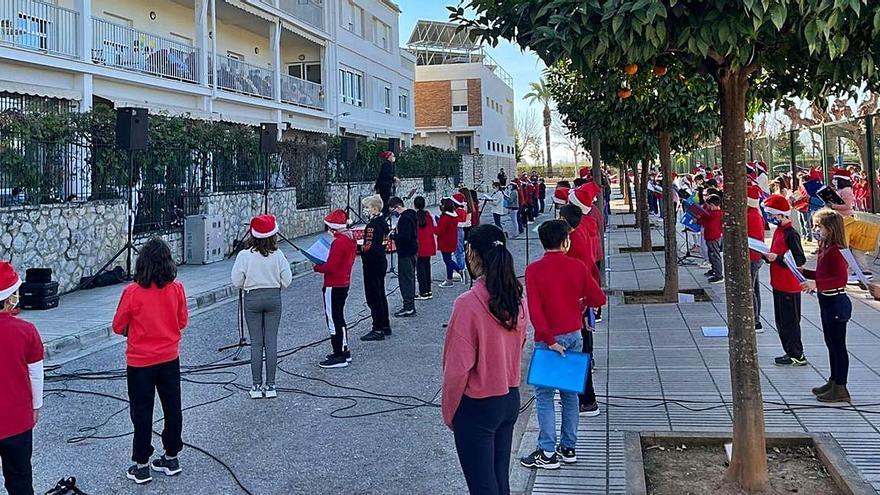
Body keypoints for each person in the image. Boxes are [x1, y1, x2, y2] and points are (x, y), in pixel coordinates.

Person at [441, 224, 526, 495]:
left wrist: (450, 412)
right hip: (509, 397)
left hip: (477, 405)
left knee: (482, 487)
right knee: (500, 482)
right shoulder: (517, 298)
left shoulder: (467, 304)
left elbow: (456, 369)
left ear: (473, 255)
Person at [521, 220, 606, 470]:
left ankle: (547, 451)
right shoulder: (578, 267)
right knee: (570, 394)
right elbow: (598, 297)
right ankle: (569, 447)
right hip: (573, 334)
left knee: (545, 395)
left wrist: (548, 339)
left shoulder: (534, 270)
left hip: (548, 338)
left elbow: (535, 310)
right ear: (565, 241)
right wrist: (579, 304)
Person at [112, 238, 188, 484]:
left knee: (142, 412)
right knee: (172, 407)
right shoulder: (176, 289)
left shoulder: (132, 292)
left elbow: (118, 326)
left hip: (139, 362)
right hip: (169, 357)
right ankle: (171, 456)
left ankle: (142, 463)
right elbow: (182, 321)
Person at [231, 215, 292, 398]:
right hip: (273, 297)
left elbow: (236, 281)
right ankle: (271, 386)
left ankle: (256, 386)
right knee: (271, 341)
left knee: (256, 343)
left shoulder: (244, 255)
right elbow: (287, 281)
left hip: (252, 298)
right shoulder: (278, 255)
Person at [0, 261, 43, 495]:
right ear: (9, 299)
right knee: (20, 479)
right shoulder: (27, 331)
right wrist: (36, 406)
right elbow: (36, 374)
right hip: (17, 420)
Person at [801, 209, 852, 402]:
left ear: (830, 229)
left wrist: (817, 284)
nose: (815, 230)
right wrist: (805, 273)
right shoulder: (825, 247)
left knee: (838, 346)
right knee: (831, 344)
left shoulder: (837, 251)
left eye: (818, 226)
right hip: (827, 301)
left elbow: (840, 278)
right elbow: (824, 274)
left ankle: (841, 387)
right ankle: (833, 381)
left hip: (836, 302)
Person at [558, 204, 601, 415]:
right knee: (580, 352)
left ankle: (587, 400)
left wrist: (584, 306)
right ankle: (576, 396)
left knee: (578, 354)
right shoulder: (577, 236)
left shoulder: (573, 245)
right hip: (578, 307)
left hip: (576, 309)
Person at [762, 195, 808, 366]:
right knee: (781, 321)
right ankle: (790, 351)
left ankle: (797, 353)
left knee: (790, 322)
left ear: (781, 215)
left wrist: (778, 258)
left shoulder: (791, 233)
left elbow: (799, 260)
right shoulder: (779, 231)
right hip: (779, 282)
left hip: (789, 285)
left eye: (774, 216)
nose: (772, 219)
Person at [314, 209, 357, 369]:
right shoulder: (349, 238)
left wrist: (317, 267)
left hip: (334, 284)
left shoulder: (339, 242)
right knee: (339, 317)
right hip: (343, 283)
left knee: (333, 319)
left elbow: (331, 267)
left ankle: (338, 354)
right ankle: (344, 350)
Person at [360, 195, 392, 341]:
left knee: (373, 295)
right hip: (381, 260)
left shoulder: (372, 226)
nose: (366, 210)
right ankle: (385, 324)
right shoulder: (383, 223)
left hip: (372, 263)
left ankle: (377, 327)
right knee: (381, 293)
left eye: (367, 208)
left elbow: (368, 247)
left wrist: (359, 247)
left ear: (374, 208)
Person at [388, 196, 418, 318]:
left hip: (405, 253)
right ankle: (409, 305)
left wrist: (393, 236)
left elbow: (405, 237)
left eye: (392, 210)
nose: (393, 213)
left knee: (406, 280)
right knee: (408, 278)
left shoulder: (405, 219)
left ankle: (408, 307)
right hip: (411, 251)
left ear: (397, 207)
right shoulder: (410, 216)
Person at [747, 186, 766, 332]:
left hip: (752, 256)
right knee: (754, 288)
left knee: (750, 289)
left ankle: (756, 320)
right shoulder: (754, 213)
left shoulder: (750, 216)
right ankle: (756, 318)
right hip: (755, 256)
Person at [438, 198, 463, 288]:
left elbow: (440, 231)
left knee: (447, 260)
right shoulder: (454, 216)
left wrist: (434, 228)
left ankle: (450, 278)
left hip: (445, 241)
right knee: (448, 259)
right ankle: (459, 272)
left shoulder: (445, 217)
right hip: (452, 240)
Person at [414, 196, 436, 299]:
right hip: (428, 245)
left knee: (420, 270)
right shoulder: (428, 216)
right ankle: (428, 290)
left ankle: (423, 291)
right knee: (427, 268)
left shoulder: (415, 217)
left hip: (419, 246)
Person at [699, 195, 724, 283]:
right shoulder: (713, 212)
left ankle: (718, 275)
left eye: (709, 206)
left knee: (715, 255)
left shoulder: (716, 214)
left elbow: (710, 225)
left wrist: (700, 220)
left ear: (713, 205)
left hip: (714, 237)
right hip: (710, 236)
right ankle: (714, 270)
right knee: (711, 255)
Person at [375, 151, 398, 216]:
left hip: (386, 185)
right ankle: (384, 215)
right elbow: (385, 175)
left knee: (386, 201)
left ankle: (385, 214)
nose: (394, 157)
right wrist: (394, 178)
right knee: (385, 201)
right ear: (389, 156)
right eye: (392, 156)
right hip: (384, 186)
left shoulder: (389, 165)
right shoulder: (386, 165)